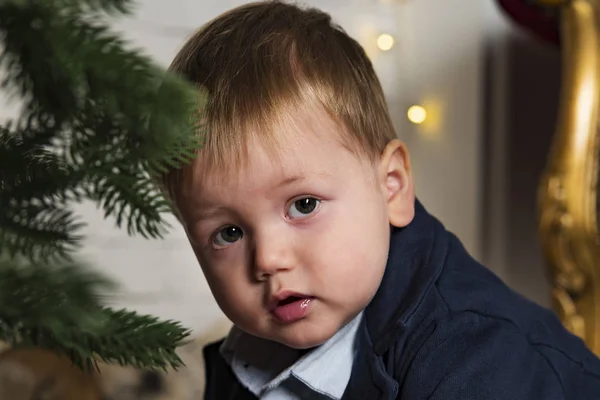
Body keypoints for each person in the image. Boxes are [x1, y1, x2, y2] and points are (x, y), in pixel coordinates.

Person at [159, 1, 600, 398]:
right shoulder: (246, 357)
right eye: (229, 233)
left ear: (391, 186)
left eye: (304, 205)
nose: (268, 260)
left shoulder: (476, 358)